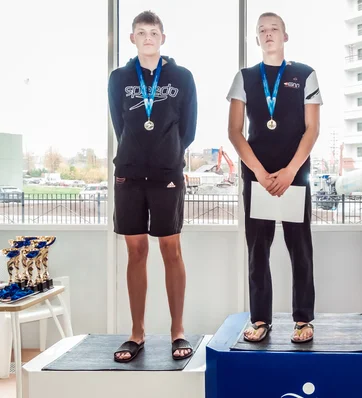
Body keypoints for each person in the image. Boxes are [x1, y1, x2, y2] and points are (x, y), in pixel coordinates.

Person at [226, 12, 322, 343]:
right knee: (257, 251)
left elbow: (312, 129)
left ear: (285, 36)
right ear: (256, 39)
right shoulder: (244, 77)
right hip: (258, 177)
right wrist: (259, 173)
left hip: (294, 175)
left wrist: (292, 170)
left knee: (300, 249)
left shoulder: (305, 74)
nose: (269, 34)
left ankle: (303, 320)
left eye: (274, 29)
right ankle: (260, 320)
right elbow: (235, 132)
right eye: (262, 30)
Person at [108, 10, 197, 362]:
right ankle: (137, 333)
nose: (148, 37)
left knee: (171, 251)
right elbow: (120, 124)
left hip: (167, 174)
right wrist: (137, 152)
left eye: (154, 32)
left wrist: (167, 153)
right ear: (132, 38)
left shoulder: (181, 77)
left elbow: (187, 129)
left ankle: (178, 332)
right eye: (141, 32)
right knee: (136, 253)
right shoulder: (119, 78)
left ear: (163, 38)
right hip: (129, 174)